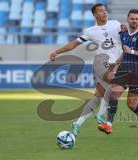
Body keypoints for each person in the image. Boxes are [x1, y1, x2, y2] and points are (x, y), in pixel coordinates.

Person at [50, 3, 125, 136]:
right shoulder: (91, 31)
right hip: (102, 63)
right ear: (95, 15)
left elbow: (126, 35)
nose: (104, 13)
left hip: (115, 64)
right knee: (115, 82)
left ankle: (77, 123)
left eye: (105, 10)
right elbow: (74, 44)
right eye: (101, 11)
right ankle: (102, 115)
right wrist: (57, 51)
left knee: (97, 97)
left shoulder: (115, 24)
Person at [98, 9, 138, 137]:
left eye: (136, 19)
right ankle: (108, 124)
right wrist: (115, 64)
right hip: (124, 69)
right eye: (132, 18)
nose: (134, 21)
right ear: (128, 19)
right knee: (114, 94)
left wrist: (132, 52)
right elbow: (124, 52)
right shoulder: (123, 34)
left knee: (131, 104)